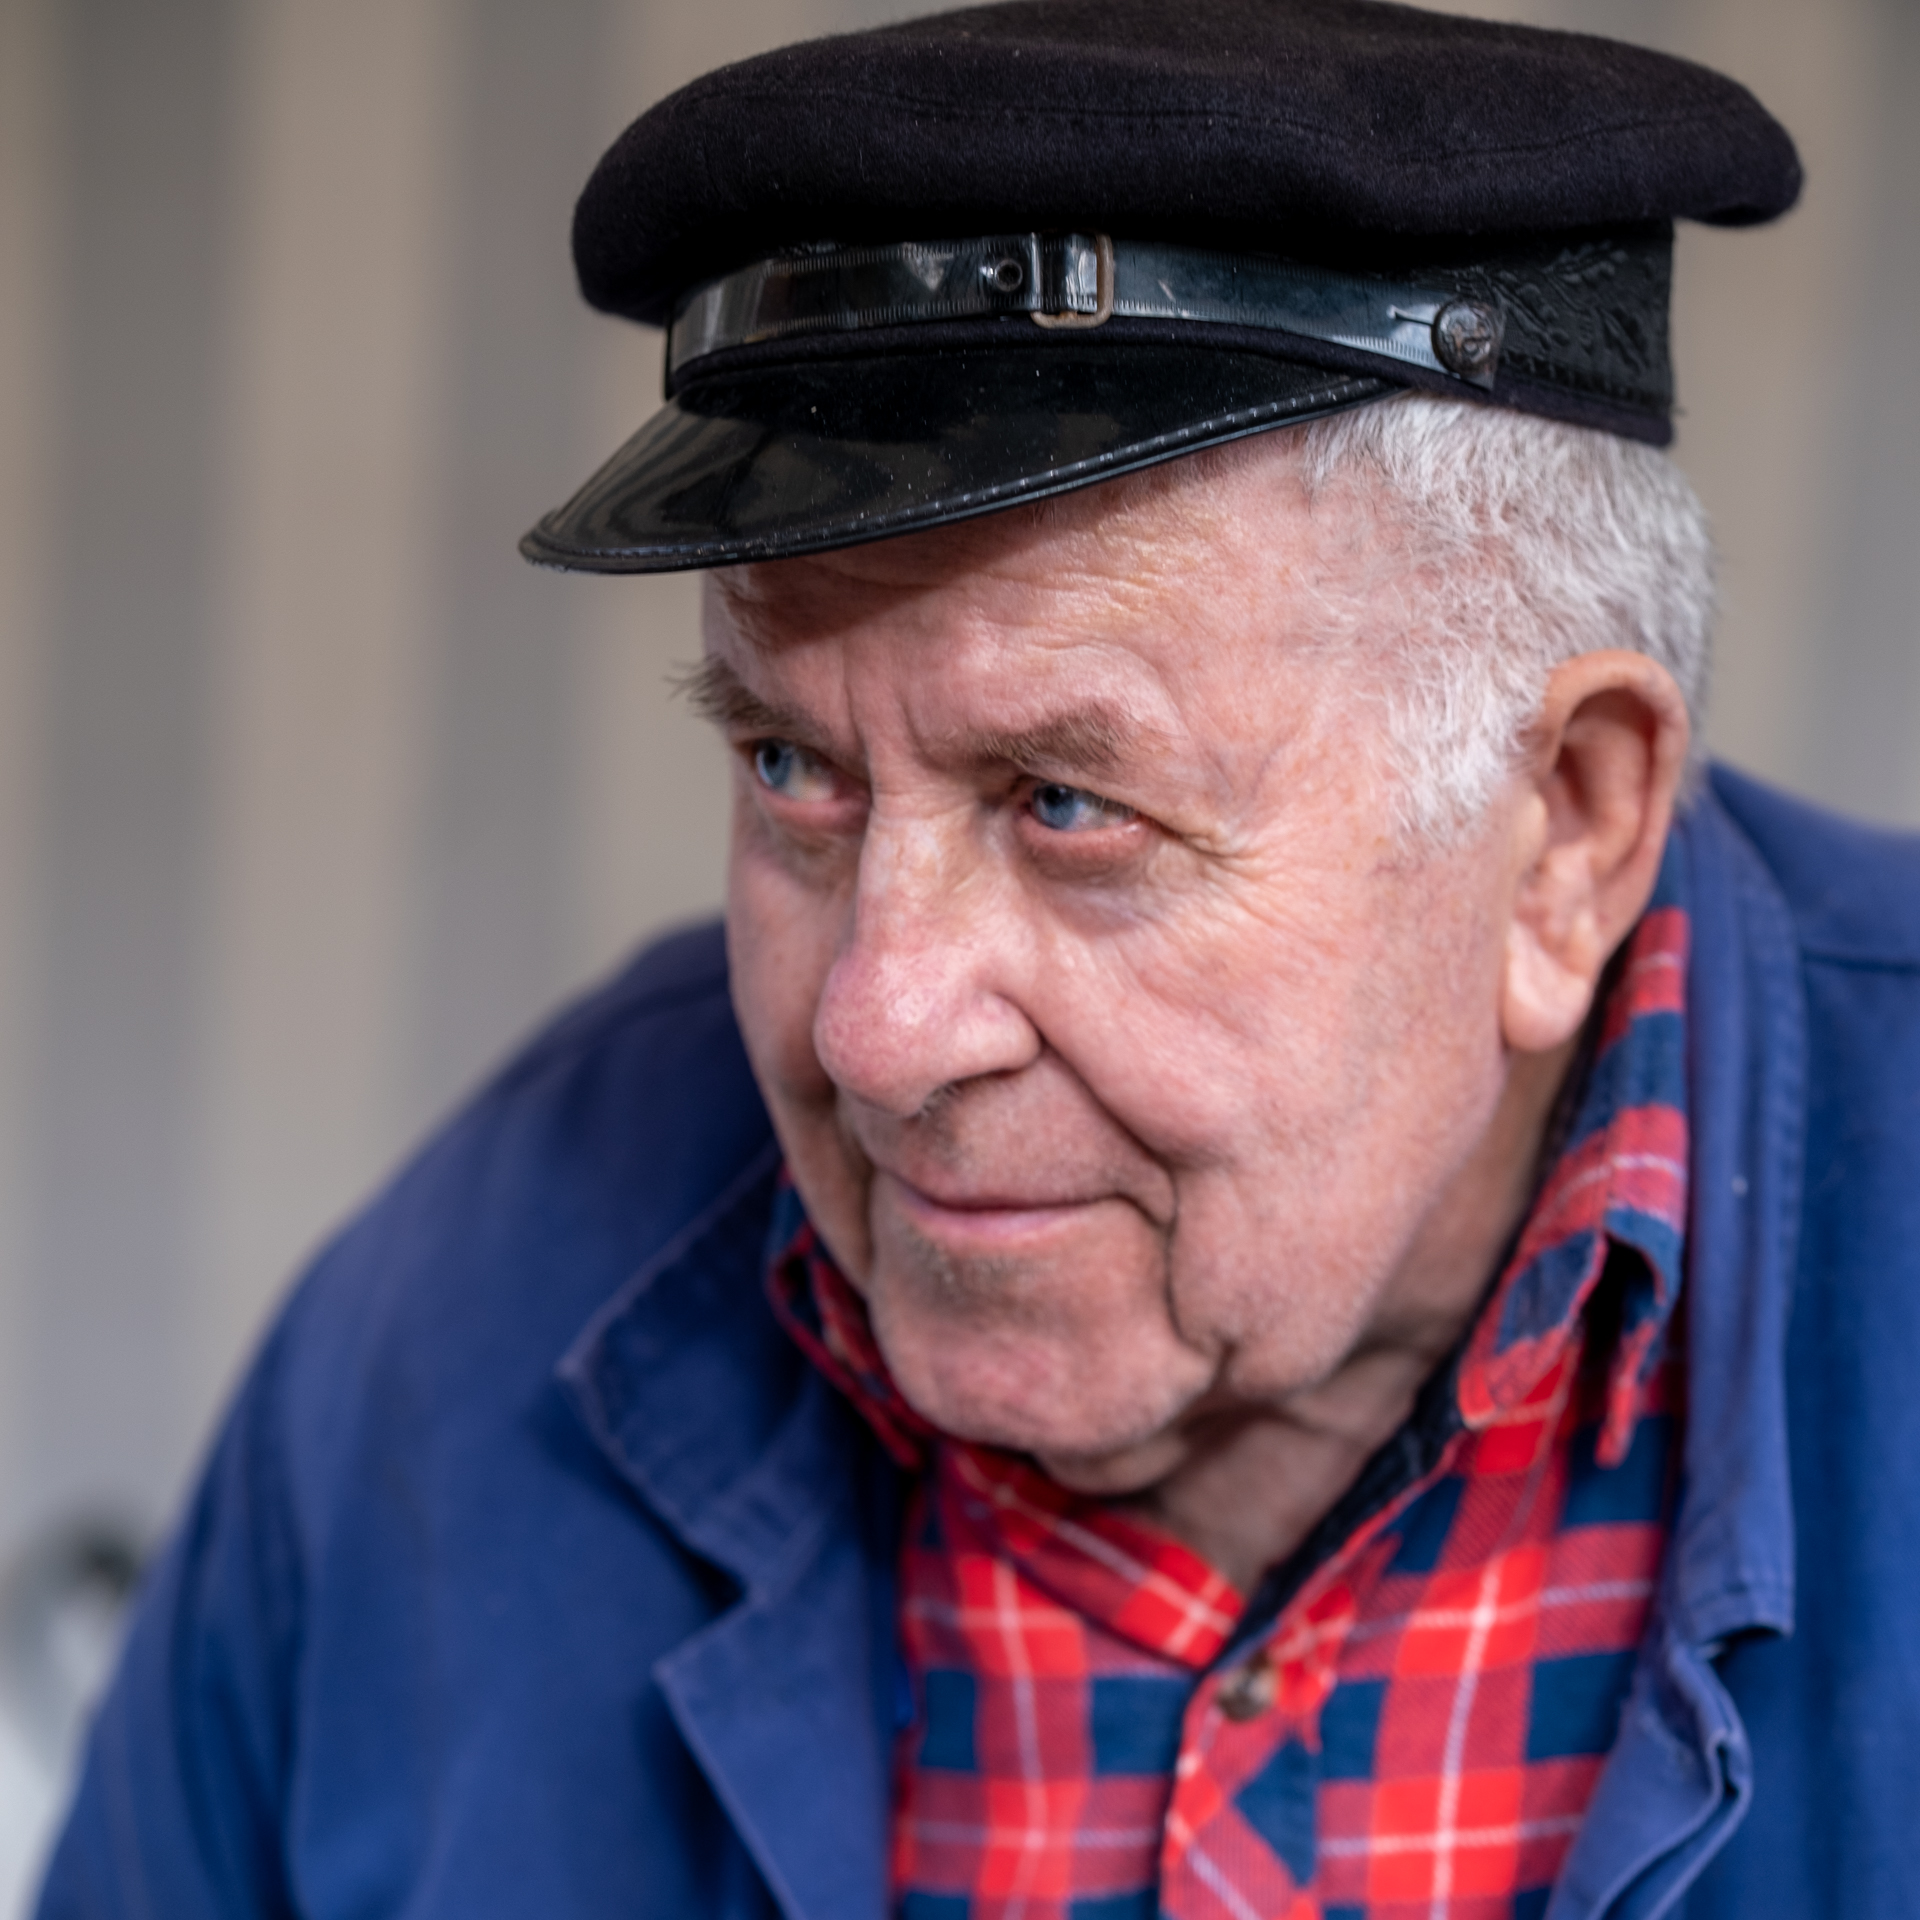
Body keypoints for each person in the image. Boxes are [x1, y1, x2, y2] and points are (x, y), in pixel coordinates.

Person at [33, 2, 1920, 1916]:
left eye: (1066, 805)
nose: (878, 1027)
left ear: (1570, 830)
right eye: (796, 770)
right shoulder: (474, 1304)